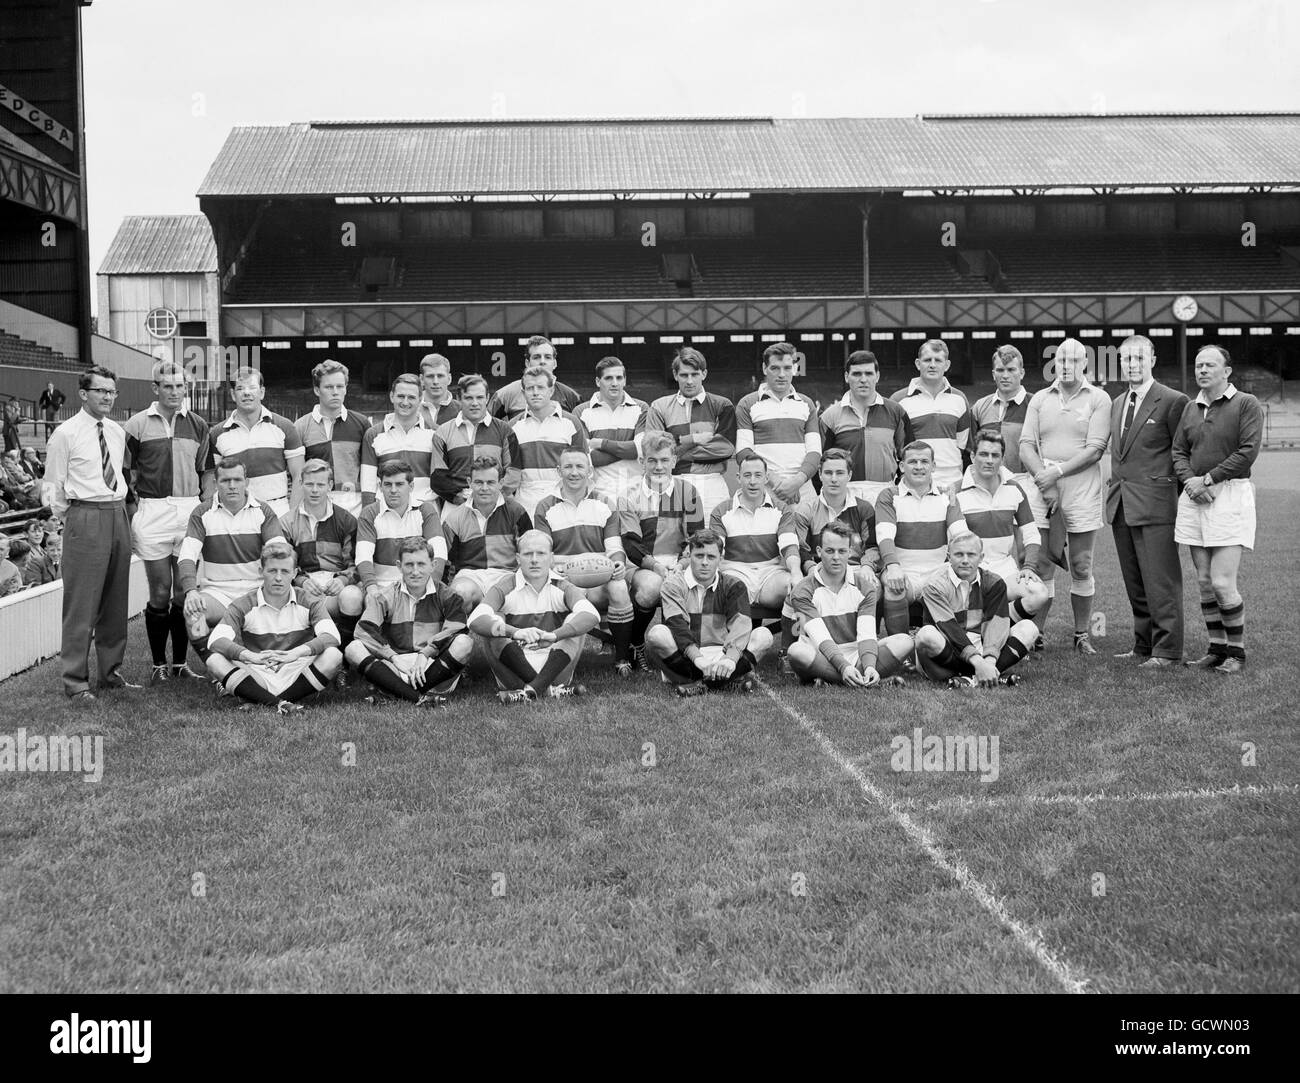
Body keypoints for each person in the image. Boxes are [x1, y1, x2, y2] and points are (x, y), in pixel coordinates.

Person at [44, 366, 136, 700]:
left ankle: (110, 673)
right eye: (101, 391)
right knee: (82, 603)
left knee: (115, 599)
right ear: (84, 394)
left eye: (112, 392)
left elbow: (119, 474)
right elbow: (53, 486)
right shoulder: (65, 434)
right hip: (85, 515)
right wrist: (73, 520)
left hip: (116, 513)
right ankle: (75, 680)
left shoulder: (115, 430)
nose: (107, 397)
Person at [1172, 345, 1264, 675]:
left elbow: (1248, 451)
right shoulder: (1190, 407)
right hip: (1194, 496)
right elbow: (1178, 451)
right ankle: (1216, 648)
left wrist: (1209, 479)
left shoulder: (1246, 404)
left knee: (1223, 582)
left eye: (1211, 365)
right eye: (1199, 365)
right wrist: (1191, 482)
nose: (1203, 370)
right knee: (1204, 581)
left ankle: (1236, 653)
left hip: (1229, 495)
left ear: (1227, 371)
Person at [123, 360, 214, 683]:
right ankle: (158, 664)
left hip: (189, 509)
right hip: (153, 509)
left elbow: (207, 472)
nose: (175, 392)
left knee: (183, 591)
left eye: (180, 386)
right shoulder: (136, 425)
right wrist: (135, 514)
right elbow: (125, 474)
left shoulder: (198, 424)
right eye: (168, 386)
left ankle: (179, 664)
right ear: (155, 388)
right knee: (160, 590)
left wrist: (205, 508)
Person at [1019, 337, 1111, 654]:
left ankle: (1082, 634)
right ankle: (1036, 632)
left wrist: (1056, 474)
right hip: (1043, 491)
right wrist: (1045, 481)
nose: (1066, 365)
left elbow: (1095, 449)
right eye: (1060, 360)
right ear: (1053, 364)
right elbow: (1025, 446)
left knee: (1082, 565)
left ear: (1085, 363)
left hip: (1082, 490)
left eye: (1073, 360)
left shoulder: (1099, 398)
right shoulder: (1040, 399)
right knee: (1042, 565)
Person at [1106, 335, 1190, 668]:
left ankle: (1167, 650)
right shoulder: (1117, 403)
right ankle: (1143, 644)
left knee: (1161, 580)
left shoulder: (1173, 401)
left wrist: (1171, 493)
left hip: (1156, 505)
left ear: (1152, 360)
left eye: (1139, 358)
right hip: (1122, 504)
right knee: (1135, 580)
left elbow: (1184, 453)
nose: (1133, 364)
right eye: (1127, 359)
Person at [205, 540, 343, 713]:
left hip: (297, 670)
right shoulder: (243, 603)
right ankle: (282, 704)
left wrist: (295, 653)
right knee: (214, 660)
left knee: (333, 655)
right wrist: (250, 656)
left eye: (285, 571)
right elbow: (215, 640)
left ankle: (265, 702)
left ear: (294, 573)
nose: (278, 578)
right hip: (259, 672)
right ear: (261, 571)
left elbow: (332, 636)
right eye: (272, 571)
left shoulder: (309, 601)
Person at [533, 448, 637, 676]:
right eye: (568, 467)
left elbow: (614, 549)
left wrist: (618, 564)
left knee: (619, 586)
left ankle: (622, 658)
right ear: (558, 470)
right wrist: (583, 562)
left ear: (590, 471)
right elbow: (544, 555)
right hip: (564, 581)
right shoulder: (544, 507)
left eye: (580, 466)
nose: (574, 472)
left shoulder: (604, 503)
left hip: (599, 581)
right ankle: (551, 656)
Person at [468, 529, 601, 703]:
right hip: (514, 673)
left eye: (541, 553)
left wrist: (554, 636)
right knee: (494, 621)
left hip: (556, 670)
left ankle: (533, 690)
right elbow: (474, 619)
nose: (534, 560)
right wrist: (515, 632)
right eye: (528, 554)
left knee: (575, 621)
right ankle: (545, 689)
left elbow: (592, 615)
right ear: (517, 558)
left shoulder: (562, 586)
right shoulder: (504, 586)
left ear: (551, 558)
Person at [643, 527, 774, 697]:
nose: (705, 562)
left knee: (764, 635)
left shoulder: (734, 585)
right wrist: (699, 660)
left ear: (721, 558)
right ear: (689, 555)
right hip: (687, 657)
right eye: (699, 556)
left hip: (722, 656)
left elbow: (741, 626)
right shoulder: (673, 584)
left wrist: (730, 658)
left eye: (711, 557)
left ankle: (696, 684)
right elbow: (677, 625)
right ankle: (726, 682)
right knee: (656, 634)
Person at [179, 457, 288, 659]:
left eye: (237, 480)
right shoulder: (202, 513)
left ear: (246, 482)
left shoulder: (263, 511)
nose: (232, 486)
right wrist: (191, 591)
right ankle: (219, 673)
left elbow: (279, 552)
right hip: (217, 592)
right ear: (215, 483)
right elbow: (186, 556)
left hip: (257, 591)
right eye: (225, 481)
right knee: (194, 614)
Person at [345, 537, 474, 707]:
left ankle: (398, 694)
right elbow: (364, 630)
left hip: (434, 668)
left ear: (433, 565)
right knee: (352, 648)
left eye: (421, 564)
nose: (415, 571)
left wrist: (425, 653)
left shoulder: (447, 595)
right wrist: (394, 657)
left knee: (464, 642)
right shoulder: (385, 596)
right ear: (399, 566)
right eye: (409, 565)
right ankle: (419, 698)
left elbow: (456, 629)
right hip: (397, 668)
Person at [618, 432, 705, 666]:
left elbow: (696, 539)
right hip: (642, 565)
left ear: (674, 462)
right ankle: (636, 643)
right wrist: (657, 567)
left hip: (680, 563)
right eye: (652, 460)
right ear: (642, 462)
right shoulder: (628, 495)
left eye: (664, 460)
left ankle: (682, 649)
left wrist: (680, 565)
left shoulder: (689, 492)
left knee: (689, 583)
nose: (659, 467)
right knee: (651, 588)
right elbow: (631, 544)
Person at [787, 522, 909, 688]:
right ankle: (857, 679)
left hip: (855, 653)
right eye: (830, 551)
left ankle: (842, 677)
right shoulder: (802, 590)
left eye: (842, 551)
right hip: (821, 654)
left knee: (905, 641)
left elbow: (866, 634)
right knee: (796, 651)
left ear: (850, 552)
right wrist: (844, 667)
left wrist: (870, 666)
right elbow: (821, 638)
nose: (836, 557)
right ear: (819, 552)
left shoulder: (865, 587)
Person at [912, 533, 1037, 688]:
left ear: (981, 557)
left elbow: (996, 625)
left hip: (982, 651)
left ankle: (974, 679)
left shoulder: (994, 582)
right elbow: (950, 629)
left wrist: (989, 661)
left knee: (1029, 628)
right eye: (959, 554)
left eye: (971, 554)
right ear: (948, 557)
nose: (965, 560)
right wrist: (978, 663)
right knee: (926, 635)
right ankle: (988, 676)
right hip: (947, 653)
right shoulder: (934, 586)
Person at [953, 429, 1049, 622]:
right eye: (983, 454)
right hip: (969, 572)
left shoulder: (1014, 488)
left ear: (1002, 459)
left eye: (995, 455)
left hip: (1005, 568)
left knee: (1038, 594)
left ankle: (1003, 628)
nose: (989, 460)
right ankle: (991, 630)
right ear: (972, 456)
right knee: (972, 622)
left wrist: (1029, 566)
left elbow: (1031, 534)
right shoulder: (956, 491)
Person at [875, 440, 968, 635]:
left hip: (937, 570)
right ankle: (902, 650)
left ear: (933, 466)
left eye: (924, 461)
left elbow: (960, 534)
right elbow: (885, 536)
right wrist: (893, 566)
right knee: (894, 588)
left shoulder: (946, 496)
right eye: (912, 462)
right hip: (903, 570)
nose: (919, 467)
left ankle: (953, 644)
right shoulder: (888, 496)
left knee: (963, 582)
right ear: (901, 466)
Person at [708, 451, 801, 633]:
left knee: (794, 586)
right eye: (747, 475)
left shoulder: (781, 510)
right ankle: (732, 648)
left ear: (766, 478)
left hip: (770, 576)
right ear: (738, 478)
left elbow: (789, 547)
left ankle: (787, 652)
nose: (752, 481)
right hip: (736, 572)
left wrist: (796, 572)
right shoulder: (721, 511)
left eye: (758, 475)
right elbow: (714, 551)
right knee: (726, 588)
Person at [644, 347, 736, 524]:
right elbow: (654, 450)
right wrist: (692, 439)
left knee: (714, 544)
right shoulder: (659, 406)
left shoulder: (722, 405)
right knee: (672, 545)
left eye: (695, 374)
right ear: (675, 374)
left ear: (704, 374)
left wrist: (673, 453)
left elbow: (725, 449)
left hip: (712, 485)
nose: (690, 381)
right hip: (672, 482)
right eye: (684, 375)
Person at [278, 458, 364, 647]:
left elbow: (356, 563)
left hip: (336, 587)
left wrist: (343, 580)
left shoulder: (346, 520)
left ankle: (344, 658)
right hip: (303, 588)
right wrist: (302, 580)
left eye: (320, 484)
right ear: (300, 484)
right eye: (309, 484)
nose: (315, 490)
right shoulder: (287, 522)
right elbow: (284, 564)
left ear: (330, 485)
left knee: (352, 597)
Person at [735, 341, 821, 507]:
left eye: (787, 368)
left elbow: (815, 452)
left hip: (802, 489)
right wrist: (775, 481)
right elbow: (743, 451)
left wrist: (796, 482)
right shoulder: (747, 403)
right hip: (763, 487)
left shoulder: (806, 403)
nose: (781, 374)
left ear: (794, 369)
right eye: (775, 368)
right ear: (764, 368)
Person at [819, 350, 911, 504]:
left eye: (868, 373)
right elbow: (821, 463)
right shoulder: (829, 416)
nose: (863, 379)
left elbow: (909, 455)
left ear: (878, 376)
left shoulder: (896, 411)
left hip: (885, 492)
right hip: (843, 493)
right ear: (847, 377)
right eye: (856, 374)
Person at [442, 454, 533, 610]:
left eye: (490, 482)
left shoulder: (516, 512)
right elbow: (446, 565)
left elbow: (530, 552)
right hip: (470, 577)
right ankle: (459, 632)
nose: (484, 488)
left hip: (507, 575)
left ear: (500, 483)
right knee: (459, 593)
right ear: (469, 483)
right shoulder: (454, 518)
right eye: (478, 482)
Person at [210, 366, 304, 517]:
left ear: (262, 392)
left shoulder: (284, 427)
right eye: (240, 388)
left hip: (278, 511)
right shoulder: (217, 434)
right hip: (237, 513)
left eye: (252, 387)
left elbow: (299, 474)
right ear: (233, 395)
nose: (247, 393)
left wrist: (292, 516)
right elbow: (213, 482)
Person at [503, 366, 588, 517]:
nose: (535, 393)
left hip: (563, 502)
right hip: (525, 504)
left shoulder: (571, 423)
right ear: (523, 393)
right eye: (530, 388)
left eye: (541, 387)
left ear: (551, 390)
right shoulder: (513, 427)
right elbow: (509, 472)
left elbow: (585, 467)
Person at [355, 458, 446, 596]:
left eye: (399, 484)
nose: (393, 490)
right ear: (380, 486)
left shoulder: (425, 510)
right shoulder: (369, 513)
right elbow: (363, 557)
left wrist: (427, 591)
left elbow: (439, 554)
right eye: (387, 484)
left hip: (418, 587)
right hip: (380, 586)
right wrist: (373, 591)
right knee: (358, 599)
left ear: (411, 486)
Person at [890, 339, 971, 491]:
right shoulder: (898, 400)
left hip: (952, 483)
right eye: (927, 360)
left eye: (938, 360)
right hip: (914, 484)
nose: (932, 365)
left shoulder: (960, 399)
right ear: (917, 363)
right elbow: (895, 447)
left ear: (946, 365)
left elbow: (962, 446)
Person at [293, 359, 372, 515]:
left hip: (354, 505)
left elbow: (369, 472)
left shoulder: (362, 424)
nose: (335, 392)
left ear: (346, 389)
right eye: (329, 387)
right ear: (317, 390)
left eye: (340, 386)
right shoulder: (300, 426)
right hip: (316, 504)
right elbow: (297, 476)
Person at [430, 374, 513, 506]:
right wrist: (458, 498)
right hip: (456, 506)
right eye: (468, 398)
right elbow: (437, 476)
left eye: (479, 397)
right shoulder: (443, 432)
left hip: (496, 504)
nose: (474, 403)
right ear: (459, 398)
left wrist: (494, 497)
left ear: (487, 398)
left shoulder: (505, 430)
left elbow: (514, 470)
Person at [574, 356, 648, 504]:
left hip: (636, 492)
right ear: (597, 381)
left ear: (625, 380)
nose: (615, 383)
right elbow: (588, 459)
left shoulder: (642, 408)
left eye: (619, 378)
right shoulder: (581, 412)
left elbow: (641, 450)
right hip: (598, 493)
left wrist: (602, 444)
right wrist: (628, 447)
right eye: (608, 378)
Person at [360, 374, 435, 506]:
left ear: (420, 399)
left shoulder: (434, 434)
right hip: (385, 513)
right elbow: (368, 485)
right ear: (391, 396)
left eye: (411, 397)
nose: (405, 402)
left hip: (424, 511)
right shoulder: (373, 434)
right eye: (401, 396)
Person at [970, 345, 1031, 488]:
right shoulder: (980, 406)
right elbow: (971, 451)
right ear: (993, 374)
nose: (1005, 375)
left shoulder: (1036, 405)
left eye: (1011, 370)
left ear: (1021, 373)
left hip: (1026, 483)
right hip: (987, 484)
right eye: (1000, 370)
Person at [488, 335, 582, 419]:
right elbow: (485, 424)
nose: (542, 361)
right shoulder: (505, 394)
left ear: (554, 363)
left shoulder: (571, 396)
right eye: (536, 357)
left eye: (548, 357)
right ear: (527, 363)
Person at [417, 353, 461, 428]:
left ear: (449, 379)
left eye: (440, 376)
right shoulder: (411, 409)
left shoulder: (461, 410)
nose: (435, 381)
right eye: (430, 376)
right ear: (421, 379)